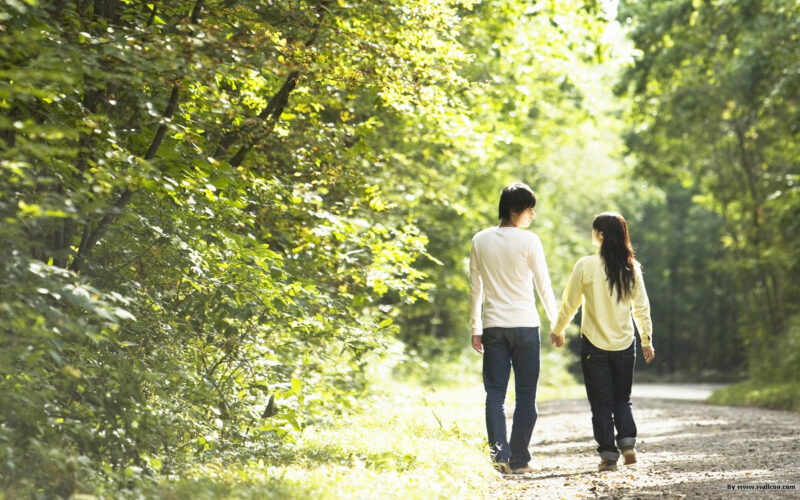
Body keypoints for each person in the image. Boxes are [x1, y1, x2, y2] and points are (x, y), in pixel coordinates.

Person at [549, 212, 655, 471]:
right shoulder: (631, 267)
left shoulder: (585, 265)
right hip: (623, 344)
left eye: (593, 230)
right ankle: (628, 443)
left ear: (601, 234)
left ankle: (609, 454)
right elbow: (641, 308)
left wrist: (558, 330)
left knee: (601, 403)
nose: (591, 234)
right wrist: (646, 340)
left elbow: (569, 303)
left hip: (594, 345)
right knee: (622, 398)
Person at [469, 183, 558, 475]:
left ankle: (499, 457)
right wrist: (557, 323)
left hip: (494, 327)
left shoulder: (480, 239)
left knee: (495, 394)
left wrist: (476, 326)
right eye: (528, 208)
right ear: (512, 210)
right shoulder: (529, 241)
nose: (532, 214)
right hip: (525, 327)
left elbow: (475, 288)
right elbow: (543, 285)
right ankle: (519, 460)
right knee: (526, 396)